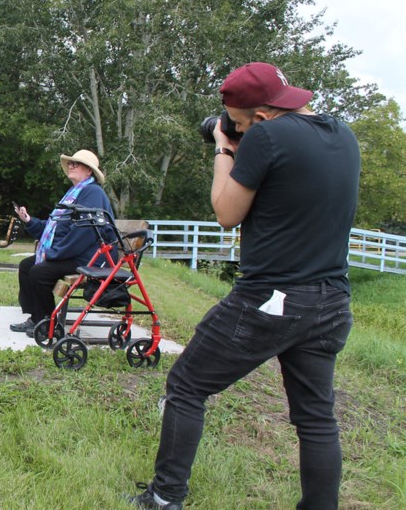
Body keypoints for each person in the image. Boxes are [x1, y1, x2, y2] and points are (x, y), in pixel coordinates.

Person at [129, 63, 360, 510]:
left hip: (271, 298)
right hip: (331, 300)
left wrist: (224, 148)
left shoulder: (265, 137)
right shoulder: (343, 136)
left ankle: (163, 497)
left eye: (236, 121)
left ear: (261, 114)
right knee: (315, 418)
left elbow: (226, 212)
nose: (232, 128)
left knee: (186, 386)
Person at [10, 149, 116, 336]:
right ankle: (37, 318)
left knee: (39, 271)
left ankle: (49, 326)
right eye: (70, 163)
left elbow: (84, 233)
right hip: (76, 254)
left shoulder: (92, 193)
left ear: (89, 171)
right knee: (27, 265)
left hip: (91, 259)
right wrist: (29, 220)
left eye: (77, 163)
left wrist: (53, 254)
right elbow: (55, 227)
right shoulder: (74, 193)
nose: (71, 165)